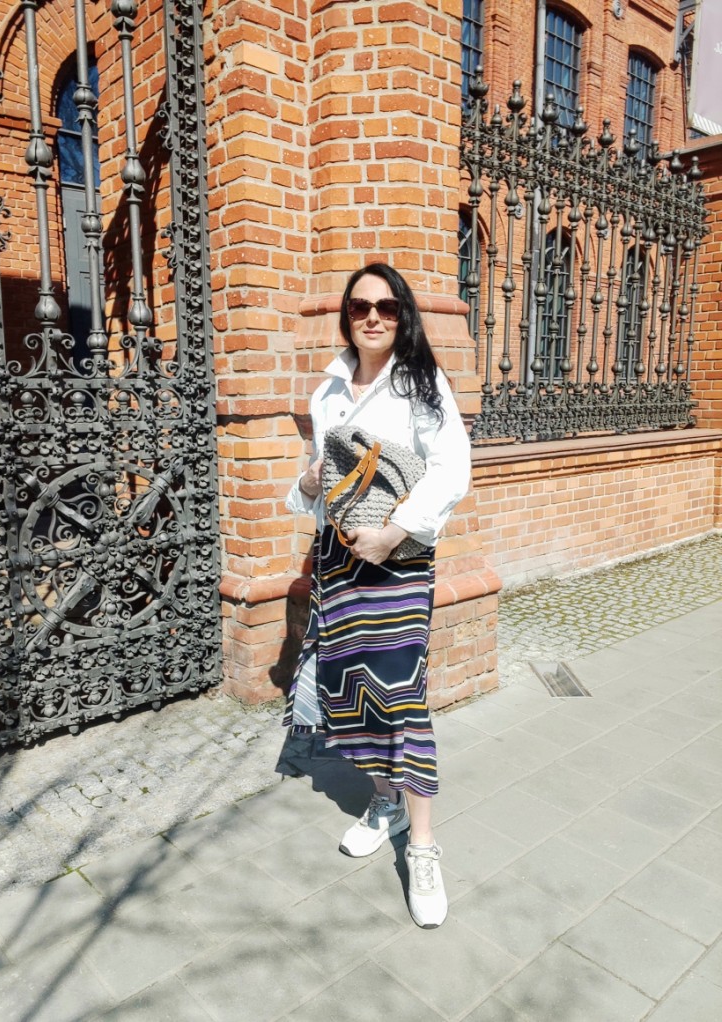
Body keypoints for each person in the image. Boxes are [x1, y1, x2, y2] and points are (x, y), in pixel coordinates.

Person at [284, 262, 471, 928]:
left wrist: (393, 534)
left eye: (387, 307)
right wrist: (308, 484)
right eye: (361, 306)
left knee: (402, 698)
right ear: (346, 314)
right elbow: (315, 485)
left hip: (398, 560)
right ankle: (384, 801)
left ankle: (422, 846)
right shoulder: (328, 389)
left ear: (402, 315)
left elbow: (453, 470)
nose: (373, 317)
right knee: (351, 693)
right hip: (339, 562)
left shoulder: (421, 383)